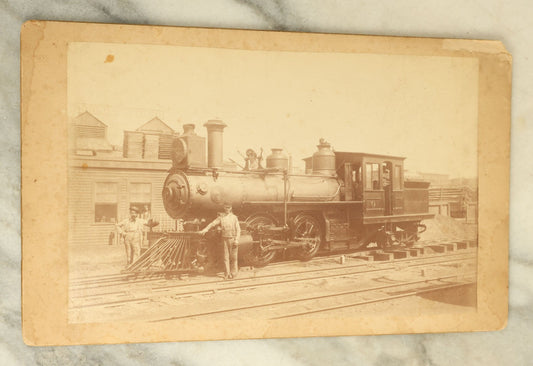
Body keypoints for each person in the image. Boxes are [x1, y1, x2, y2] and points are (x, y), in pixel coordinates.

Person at [199, 203, 241, 279]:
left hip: (233, 239)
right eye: (226, 207)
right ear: (224, 208)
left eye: (229, 207)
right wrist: (206, 229)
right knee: (225, 257)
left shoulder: (234, 218)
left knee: (234, 258)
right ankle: (227, 274)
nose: (227, 209)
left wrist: (237, 239)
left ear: (231, 208)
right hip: (224, 239)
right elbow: (213, 224)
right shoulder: (221, 217)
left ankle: (233, 274)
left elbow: (238, 229)